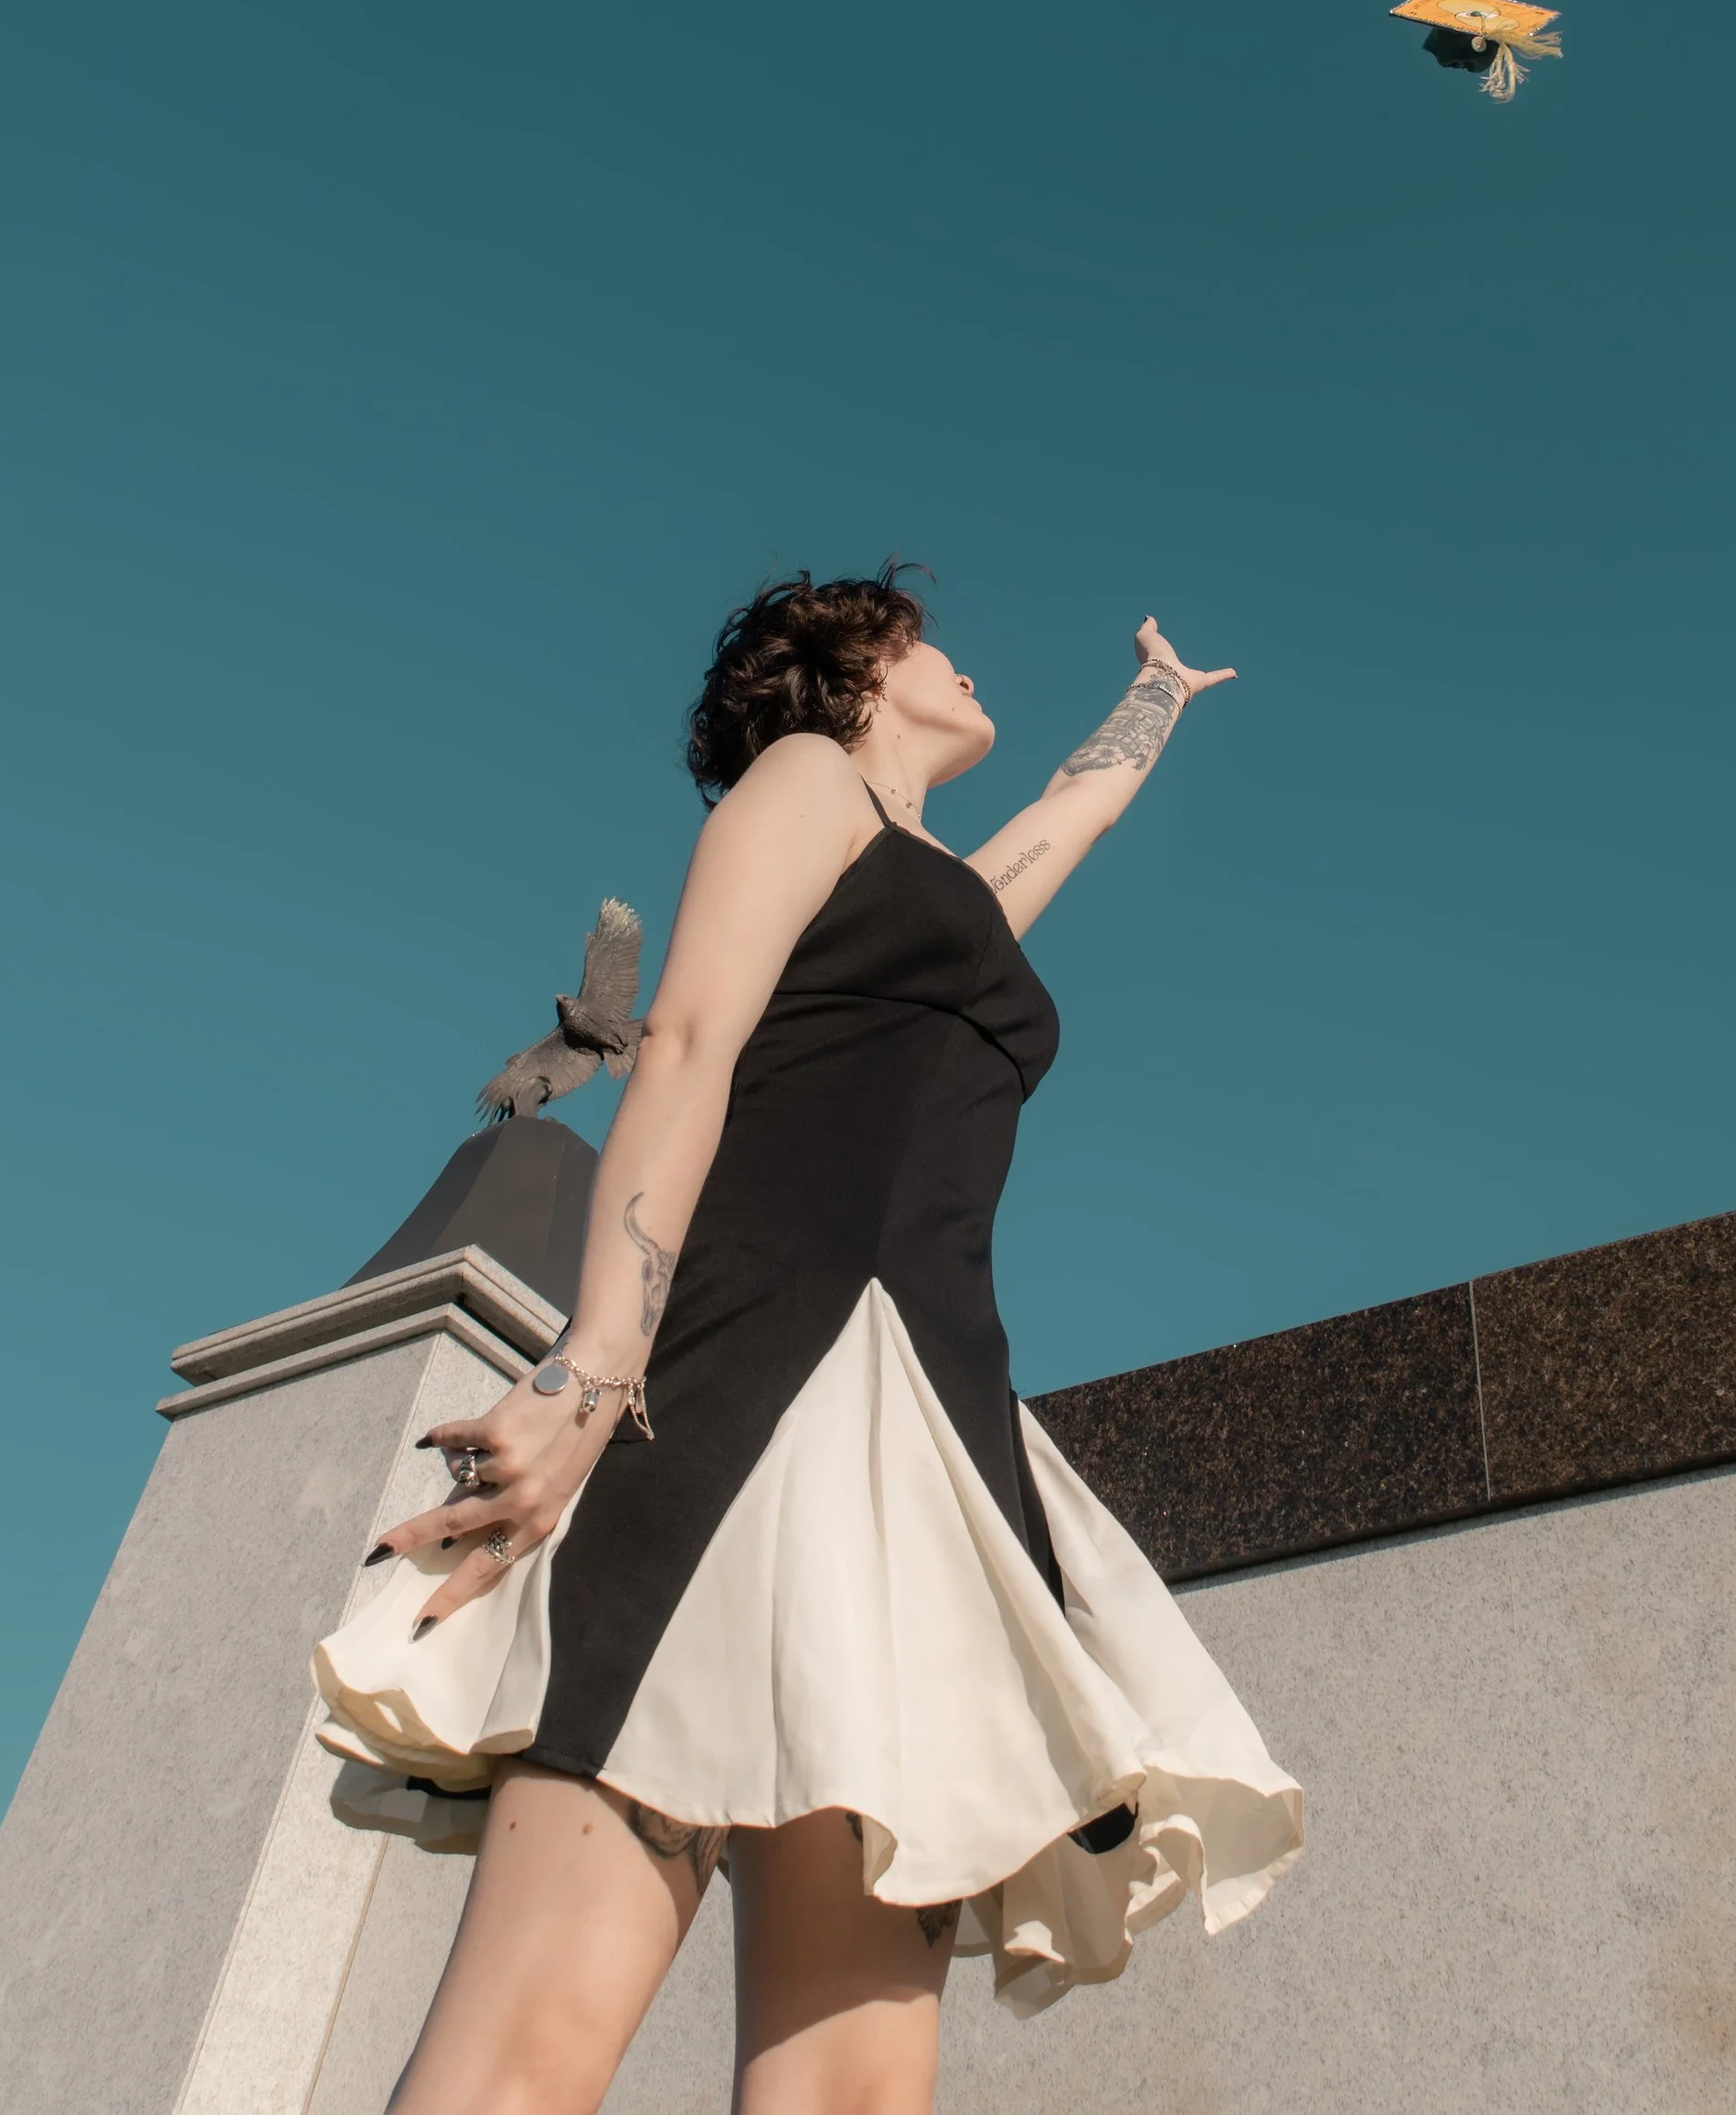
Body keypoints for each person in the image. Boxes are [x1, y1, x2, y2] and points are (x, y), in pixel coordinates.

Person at [314, 571, 1303, 2115]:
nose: (975, 662)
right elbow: (692, 1042)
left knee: (852, 2090)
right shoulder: (805, 779)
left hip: (917, 1429)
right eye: (938, 640)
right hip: (741, 1388)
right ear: (861, 664)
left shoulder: (946, 891)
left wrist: (1160, 699)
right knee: (520, 2060)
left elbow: (1071, 812)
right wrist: (592, 1367)